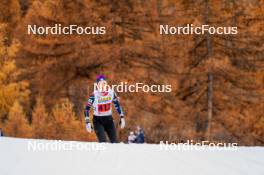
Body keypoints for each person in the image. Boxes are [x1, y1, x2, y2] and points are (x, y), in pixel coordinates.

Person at [84, 75, 125, 143]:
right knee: (103, 142)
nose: (102, 86)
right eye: (100, 84)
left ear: (106, 84)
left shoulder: (111, 93)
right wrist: (87, 122)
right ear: (97, 85)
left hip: (109, 120)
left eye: (104, 83)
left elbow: (117, 105)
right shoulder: (94, 94)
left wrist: (122, 117)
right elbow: (86, 109)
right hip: (98, 121)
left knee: (115, 142)